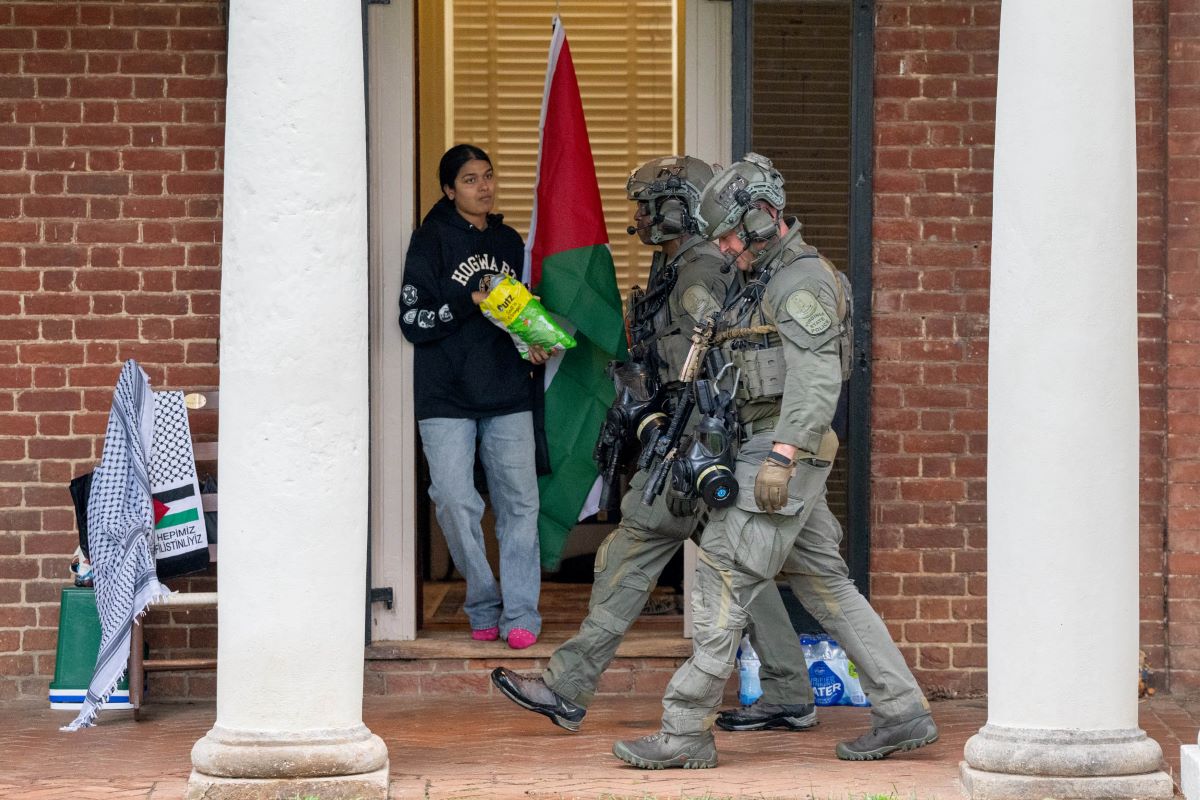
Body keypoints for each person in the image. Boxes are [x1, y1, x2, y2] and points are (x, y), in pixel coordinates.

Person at [612, 153, 937, 769]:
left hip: (781, 452)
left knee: (722, 574)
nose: (728, 247)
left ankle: (683, 733)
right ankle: (902, 710)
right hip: (761, 445)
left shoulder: (801, 281)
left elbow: (816, 381)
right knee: (826, 584)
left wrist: (781, 458)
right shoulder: (762, 278)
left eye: (733, 233)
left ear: (763, 218)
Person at [492, 155, 820, 729]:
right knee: (744, 566)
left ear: (676, 208)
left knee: (630, 553)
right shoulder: (679, 268)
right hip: (686, 438)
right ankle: (790, 690)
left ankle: (567, 687)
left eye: (646, 206)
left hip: (695, 442)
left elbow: (720, 358)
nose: (638, 218)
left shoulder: (701, 272)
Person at [399, 144, 548, 650]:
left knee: (520, 505)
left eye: (488, 176)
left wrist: (533, 341)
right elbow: (412, 321)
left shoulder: (509, 241)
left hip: (507, 390)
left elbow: (517, 311)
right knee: (455, 501)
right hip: (445, 396)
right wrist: (468, 299)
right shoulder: (430, 242)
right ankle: (483, 601)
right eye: (469, 179)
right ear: (448, 189)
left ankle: (523, 612)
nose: (483, 187)